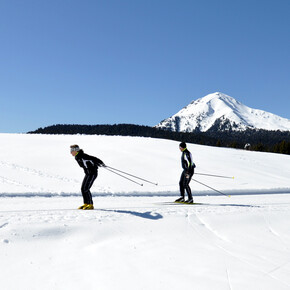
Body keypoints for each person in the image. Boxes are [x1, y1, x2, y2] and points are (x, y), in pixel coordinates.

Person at [70, 145, 105, 210]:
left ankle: (90, 204)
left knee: (86, 188)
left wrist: (101, 163)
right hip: (88, 174)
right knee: (83, 188)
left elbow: (94, 158)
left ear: (76, 150)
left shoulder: (83, 156)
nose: (70, 152)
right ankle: (86, 203)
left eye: (72, 150)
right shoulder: (78, 157)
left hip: (92, 173)